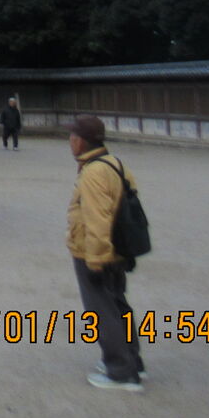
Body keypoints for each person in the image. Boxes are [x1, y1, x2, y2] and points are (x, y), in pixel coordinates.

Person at [66, 114, 145, 392]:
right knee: (118, 306)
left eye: (72, 136)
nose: (70, 141)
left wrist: (96, 260)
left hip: (96, 253)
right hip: (118, 249)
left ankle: (121, 371)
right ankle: (133, 361)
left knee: (102, 311)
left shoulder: (93, 173)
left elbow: (97, 220)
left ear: (81, 141)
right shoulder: (114, 163)